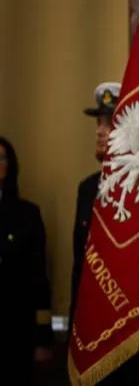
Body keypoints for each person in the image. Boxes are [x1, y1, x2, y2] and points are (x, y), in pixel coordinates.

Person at [70, 82, 139, 384]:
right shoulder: (87, 188)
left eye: (110, 123)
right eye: (99, 123)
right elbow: (80, 269)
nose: (100, 132)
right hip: (91, 333)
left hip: (131, 338)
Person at [0, 136, 54, 383]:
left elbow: (38, 278)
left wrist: (42, 337)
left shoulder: (27, 215)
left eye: (2, 158)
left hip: (16, 332)